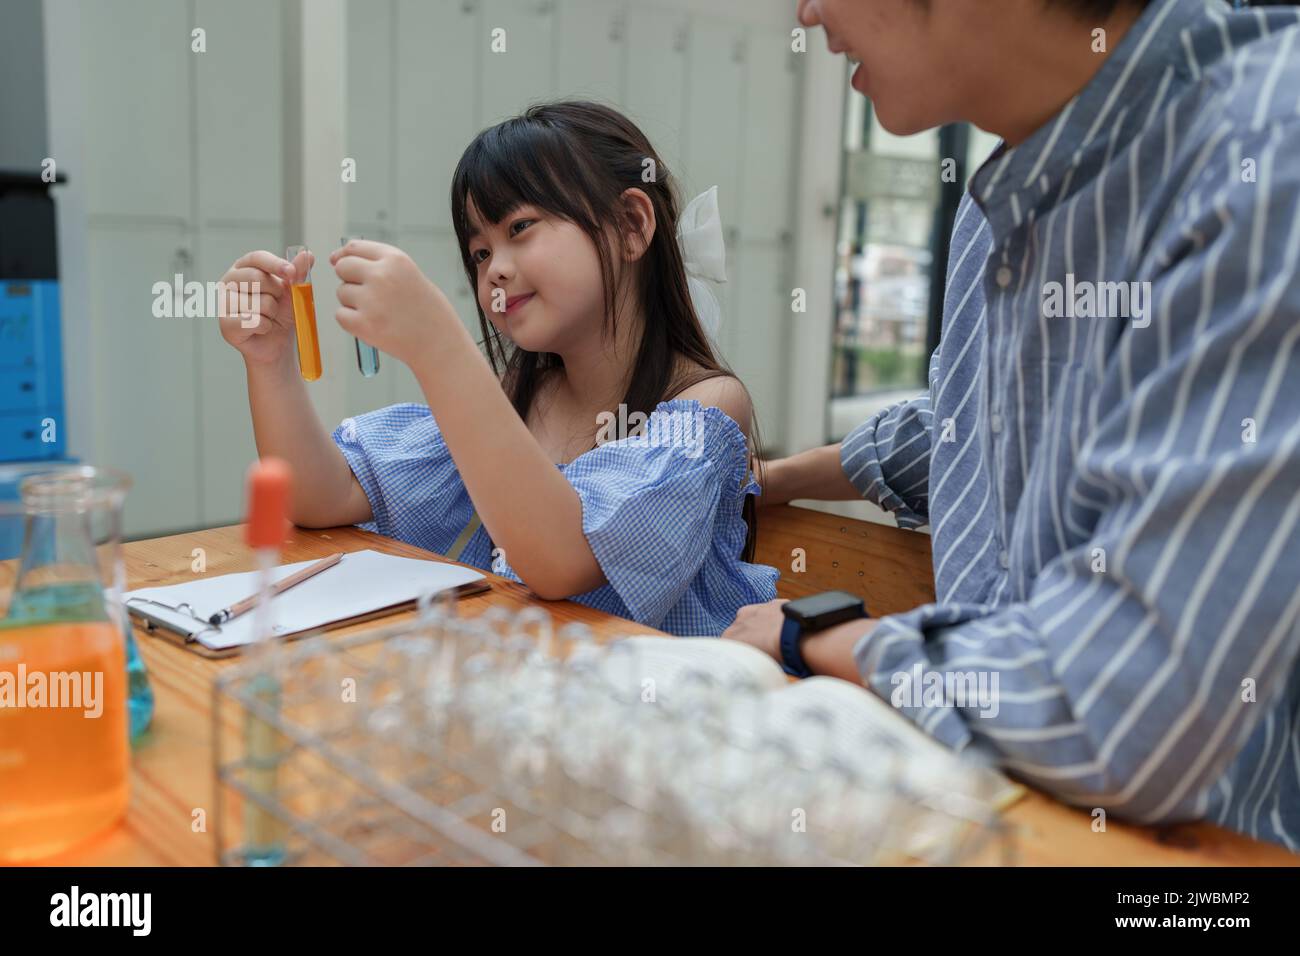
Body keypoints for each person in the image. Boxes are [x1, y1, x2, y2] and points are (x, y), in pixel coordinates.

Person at [725, 0, 1300, 848]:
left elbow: (1125, 701)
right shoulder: (1006, 195)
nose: (808, 13)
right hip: (995, 812)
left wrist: (825, 641)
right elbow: (974, 429)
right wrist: (769, 479)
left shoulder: (1262, 148)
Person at [216, 101, 777, 636]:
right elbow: (321, 496)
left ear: (631, 225)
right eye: (480, 252)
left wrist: (439, 347)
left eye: (520, 228)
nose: (495, 272)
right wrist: (270, 362)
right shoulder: (519, 396)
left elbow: (560, 559)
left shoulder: (707, 407)